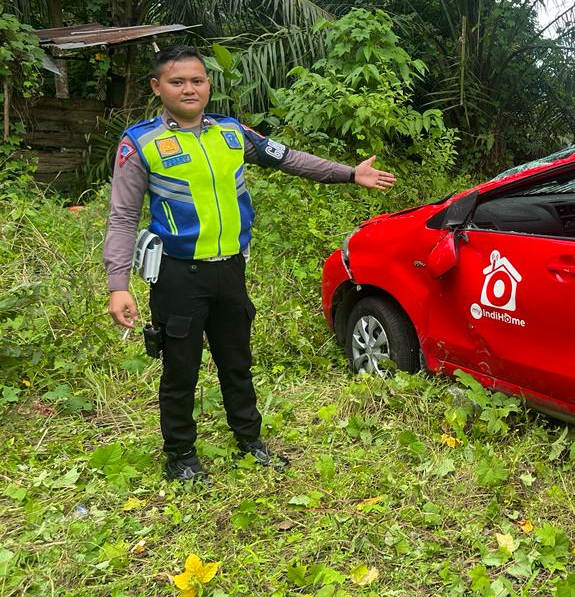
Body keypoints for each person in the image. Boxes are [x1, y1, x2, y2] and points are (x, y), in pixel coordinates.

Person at [104, 45, 396, 482]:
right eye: (177, 81)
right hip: (178, 274)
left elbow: (289, 158)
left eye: (197, 80)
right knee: (180, 367)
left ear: (209, 84)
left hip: (230, 271)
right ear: (157, 87)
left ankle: (249, 440)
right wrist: (117, 282)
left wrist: (349, 173)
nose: (189, 89)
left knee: (236, 361)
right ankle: (180, 455)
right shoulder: (140, 142)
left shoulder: (231, 132)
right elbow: (124, 215)